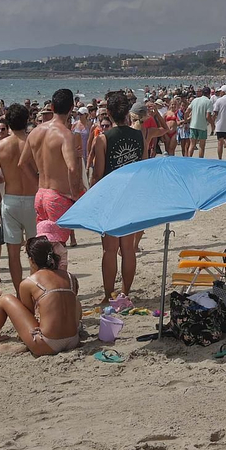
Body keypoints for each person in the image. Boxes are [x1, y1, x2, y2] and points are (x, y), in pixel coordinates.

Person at [0, 236, 80, 357]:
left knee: (6, 300)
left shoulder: (29, 282)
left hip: (47, 344)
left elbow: (28, 315)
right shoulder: (70, 277)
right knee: (75, 301)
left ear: (31, 260)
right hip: (73, 340)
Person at [96, 90, 145, 304]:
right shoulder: (139, 135)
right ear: (127, 111)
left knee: (109, 249)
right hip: (132, 195)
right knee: (128, 248)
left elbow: (98, 176)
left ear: (108, 112)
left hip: (111, 197)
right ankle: (125, 291)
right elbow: (142, 167)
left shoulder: (102, 139)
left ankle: (109, 294)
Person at [0, 103, 37, 289]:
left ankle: (20, 291)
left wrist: (7, 176)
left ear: (7, 122)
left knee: (13, 252)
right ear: (27, 121)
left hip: (11, 199)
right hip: (33, 197)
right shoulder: (33, 142)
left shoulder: (0, 146)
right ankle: (34, 288)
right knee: (35, 249)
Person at [26, 89, 84, 234]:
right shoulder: (65, 135)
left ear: (52, 107)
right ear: (71, 108)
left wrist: (37, 181)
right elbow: (72, 168)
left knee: (44, 244)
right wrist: (76, 194)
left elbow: (23, 163)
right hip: (57, 196)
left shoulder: (35, 132)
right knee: (58, 247)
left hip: (40, 194)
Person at [186, 87, 213, 158]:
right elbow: (208, 116)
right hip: (202, 126)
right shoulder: (208, 101)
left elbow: (187, 111)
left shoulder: (195, 100)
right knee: (201, 145)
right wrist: (213, 125)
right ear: (209, 93)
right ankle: (200, 160)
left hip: (193, 125)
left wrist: (186, 120)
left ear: (202, 92)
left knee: (192, 144)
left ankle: (189, 159)